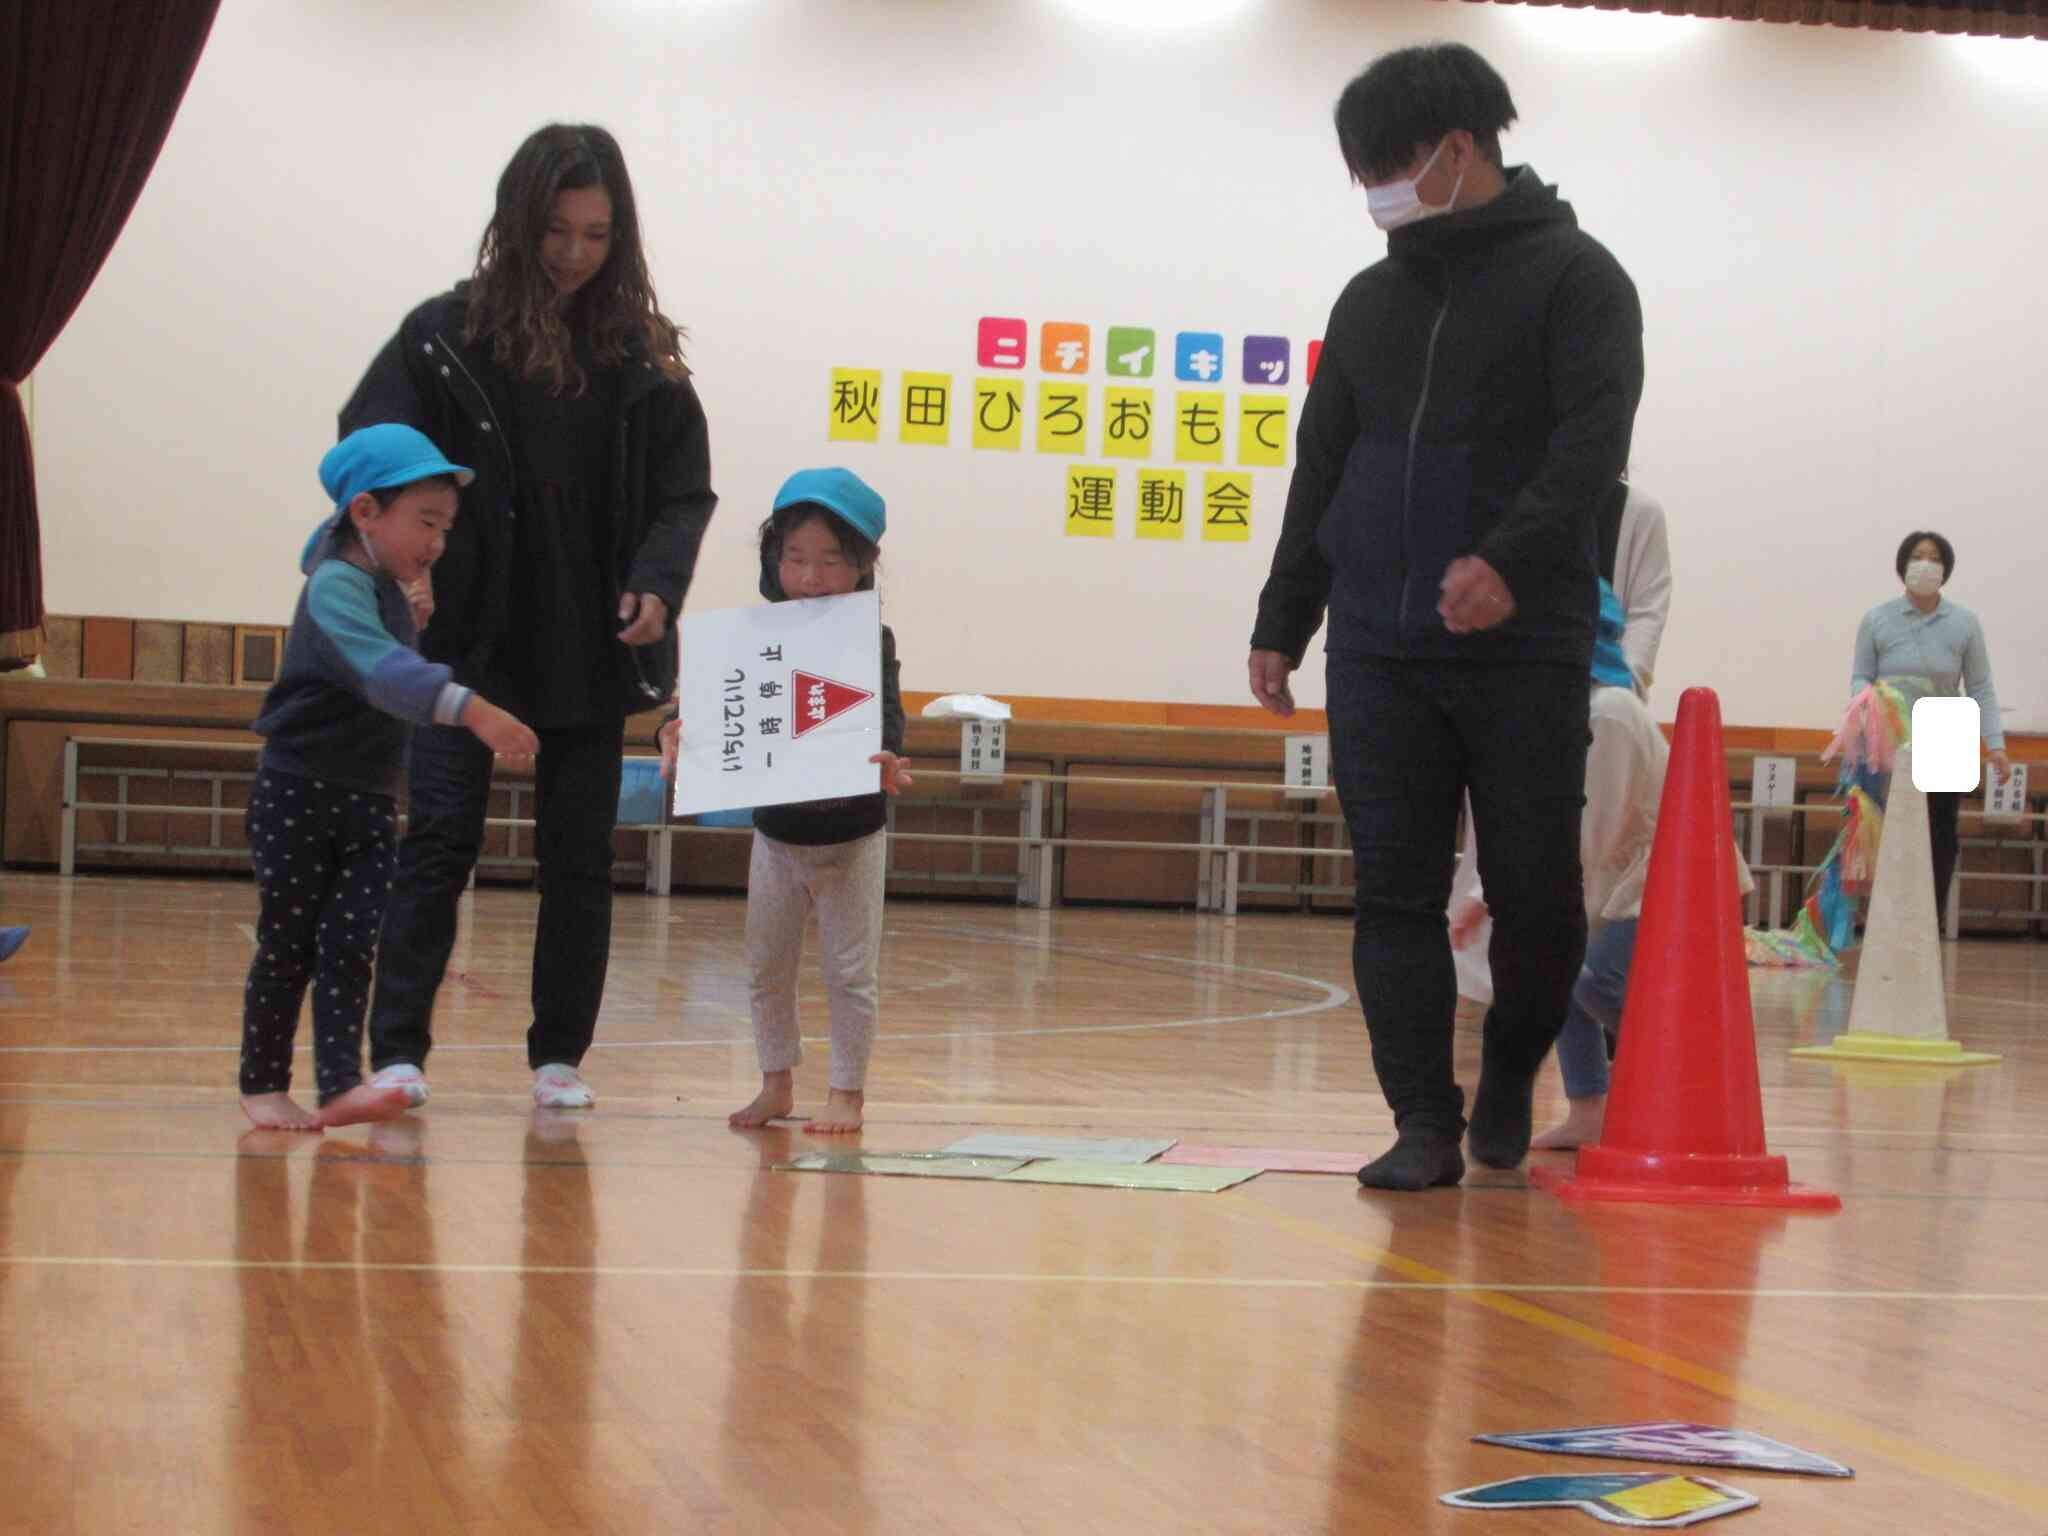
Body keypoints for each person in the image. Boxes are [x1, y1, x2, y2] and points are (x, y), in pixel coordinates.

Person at [1247, 43, 1644, 1190]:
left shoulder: (1579, 280)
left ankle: (1511, 1068)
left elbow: (1591, 449)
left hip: (1522, 644)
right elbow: (1319, 466)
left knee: (1533, 895)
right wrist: (1286, 618)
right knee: (1393, 893)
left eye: (1384, 164)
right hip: (1378, 646)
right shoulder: (1368, 300)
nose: (1371, 188)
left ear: (1456, 150)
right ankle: (1422, 1120)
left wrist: (1510, 563)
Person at [340, 124, 716, 1110]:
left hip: (590, 648)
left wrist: (657, 581)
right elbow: (365, 445)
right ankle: (400, 1052)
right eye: (556, 230)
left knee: (577, 860)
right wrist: (405, 560)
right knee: (437, 842)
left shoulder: (642, 355)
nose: (574, 254)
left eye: (597, 234)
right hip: (466, 639)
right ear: (517, 222)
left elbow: (685, 495)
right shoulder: (443, 334)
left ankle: (559, 1056)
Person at [240, 425, 538, 1131]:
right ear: (367, 513)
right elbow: (380, 674)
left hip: (371, 797)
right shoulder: (337, 585)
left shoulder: (386, 587)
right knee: (290, 944)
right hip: (300, 790)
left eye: (446, 525)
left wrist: (411, 613)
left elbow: (392, 655)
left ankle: (342, 1084)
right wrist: (474, 711)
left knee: (349, 946)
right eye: (425, 522)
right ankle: (262, 1083)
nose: (437, 541)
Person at [1449, 582, 1751, 1149]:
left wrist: (1498, 900)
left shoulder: (1608, 714)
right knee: (1557, 974)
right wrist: (1488, 892)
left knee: (1579, 977)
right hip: (1628, 885)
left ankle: (1694, 1073)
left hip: (1672, 889)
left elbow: (1585, 837)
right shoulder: (1564, 714)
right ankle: (1591, 1108)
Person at [659, 469, 909, 1134]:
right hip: (776, 836)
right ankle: (775, 1083)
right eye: (795, 558)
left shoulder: (869, 640)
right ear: (774, 561)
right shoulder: (752, 631)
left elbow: (886, 712)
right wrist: (675, 729)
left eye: (831, 560)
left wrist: (886, 753)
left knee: (850, 973)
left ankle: (847, 1094)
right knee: (767, 965)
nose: (810, 575)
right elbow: (710, 702)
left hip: (853, 836)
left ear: (862, 566)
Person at [1851, 531, 2008, 930]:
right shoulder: (1876, 619)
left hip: (1946, 731)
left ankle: (1927, 920)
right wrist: (1867, 710)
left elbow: (1980, 687)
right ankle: (1886, 919)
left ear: (1945, 570)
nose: (1925, 563)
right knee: (1890, 826)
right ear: (1903, 566)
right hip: (1891, 734)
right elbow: (1861, 677)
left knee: (1940, 831)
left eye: (1933, 557)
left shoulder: (1964, 622)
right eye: (1917, 556)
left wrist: (1995, 744)